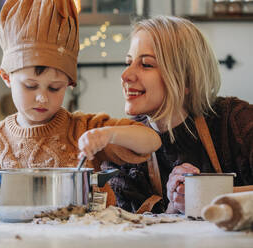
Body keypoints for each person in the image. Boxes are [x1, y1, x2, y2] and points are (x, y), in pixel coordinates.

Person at [0, 0, 161, 216]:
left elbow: (151, 140)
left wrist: (108, 134)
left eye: (55, 88)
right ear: (6, 77)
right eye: (30, 86)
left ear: (70, 84)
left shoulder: (84, 128)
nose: (42, 98)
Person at [107, 15, 253, 214]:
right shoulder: (123, 146)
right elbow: (132, 233)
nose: (125, 76)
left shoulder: (236, 121)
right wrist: (174, 206)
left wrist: (206, 196)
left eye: (146, 64)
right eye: (128, 62)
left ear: (186, 80)